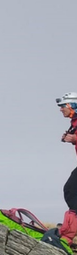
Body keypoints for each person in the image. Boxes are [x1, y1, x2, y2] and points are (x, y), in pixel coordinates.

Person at [57, 93, 77, 245]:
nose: (61, 109)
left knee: (71, 191)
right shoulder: (74, 122)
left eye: (63, 106)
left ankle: (68, 234)